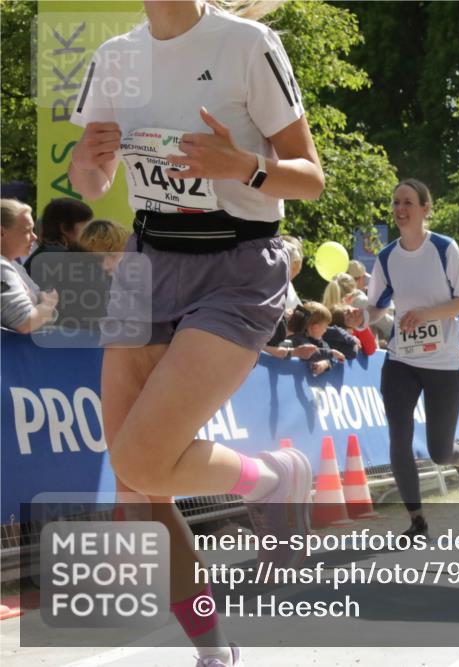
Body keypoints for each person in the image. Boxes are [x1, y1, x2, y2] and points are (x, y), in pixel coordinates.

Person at [68, 2, 324, 665]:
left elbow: (311, 177)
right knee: (137, 493)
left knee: (141, 460)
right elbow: (91, 178)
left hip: (237, 264)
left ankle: (274, 477)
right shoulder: (116, 56)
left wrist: (244, 167)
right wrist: (90, 165)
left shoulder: (248, 44)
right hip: (147, 263)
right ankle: (215, 648)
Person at [366, 179, 459, 538]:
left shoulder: (445, 249)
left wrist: (428, 314)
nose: (400, 209)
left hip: (444, 363)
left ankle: (458, 456)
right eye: (396, 202)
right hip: (401, 360)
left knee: (438, 451)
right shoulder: (387, 257)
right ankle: (417, 520)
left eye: (408, 203)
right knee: (399, 437)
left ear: (425, 208)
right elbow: (375, 307)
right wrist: (360, 316)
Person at [1, 199, 59, 333]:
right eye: (27, 231)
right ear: (1, 233)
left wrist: (45, 308)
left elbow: (39, 303)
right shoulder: (2, 267)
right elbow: (25, 323)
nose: (34, 237)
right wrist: (48, 305)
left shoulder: (14, 265)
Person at [23, 197, 93, 274]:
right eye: (86, 228)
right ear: (65, 228)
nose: (92, 233)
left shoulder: (48, 254)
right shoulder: (55, 258)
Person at [286, 301, 346, 374]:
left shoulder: (319, 341)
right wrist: (331, 353)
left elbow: (329, 353)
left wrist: (325, 363)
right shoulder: (296, 338)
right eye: (325, 327)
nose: (325, 331)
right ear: (315, 327)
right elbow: (310, 353)